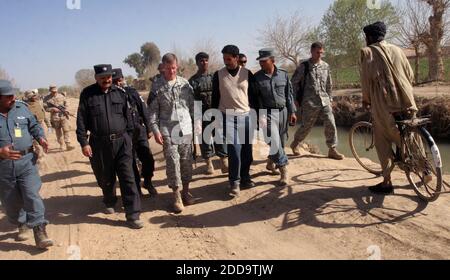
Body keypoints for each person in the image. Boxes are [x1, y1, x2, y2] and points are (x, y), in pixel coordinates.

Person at [360, 21, 424, 194]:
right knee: (411, 135)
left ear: (370, 37)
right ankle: (425, 171)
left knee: (382, 138)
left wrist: (366, 100)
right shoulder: (398, 50)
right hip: (407, 100)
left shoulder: (367, 52)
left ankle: (387, 182)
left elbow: (366, 82)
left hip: (384, 103)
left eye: (366, 37)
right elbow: (409, 74)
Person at [76, 64, 143, 229]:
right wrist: (84, 142)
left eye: (108, 77)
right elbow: (81, 121)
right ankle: (109, 199)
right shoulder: (87, 94)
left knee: (128, 177)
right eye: (102, 78)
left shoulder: (120, 93)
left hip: (122, 142)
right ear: (96, 78)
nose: (106, 80)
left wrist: (128, 139)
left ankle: (133, 215)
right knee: (105, 176)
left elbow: (129, 118)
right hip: (99, 144)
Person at [0, 80, 53, 249]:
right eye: (8, 96)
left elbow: (34, 125)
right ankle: (20, 223)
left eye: (13, 95)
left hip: (26, 161)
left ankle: (39, 230)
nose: (13, 98)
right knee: (11, 201)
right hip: (4, 167)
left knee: (32, 195)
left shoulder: (21, 108)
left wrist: (41, 137)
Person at [149, 53, 196, 213]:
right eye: (168, 69)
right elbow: (152, 112)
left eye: (174, 68)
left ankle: (186, 191)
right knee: (172, 162)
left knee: (186, 161)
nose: (171, 71)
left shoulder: (185, 84)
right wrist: (155, 130)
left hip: (185, 129)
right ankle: (176, 195)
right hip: (167, 130)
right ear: (163, 68)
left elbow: (192, 106)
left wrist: (197, 123)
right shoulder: (157, 87)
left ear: (177, 66)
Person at [212, 45, 259, 197]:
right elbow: (215, 98)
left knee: (247, 151)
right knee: (234, 150)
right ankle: (234, 182)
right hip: (227, 116)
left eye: (229, 58)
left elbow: (253, 97)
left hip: (246, 116)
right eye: (224, 59)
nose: (226, 61)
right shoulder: (218, 75)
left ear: (237, 58)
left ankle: (245, 177)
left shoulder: (247, 74)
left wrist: (257, 116)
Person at [290, 42, 344, 160]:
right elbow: (293, 83)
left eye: (321, 52)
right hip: (309, 102)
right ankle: (295, 143)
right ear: (312, 52)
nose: (320, 54)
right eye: (317, 52)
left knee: (330, 122)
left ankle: (332, 149)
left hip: (324, 100)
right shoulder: (304, 66)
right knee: (306, 126)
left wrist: (330, 98)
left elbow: (329, 84)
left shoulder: (325, 66)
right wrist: (294, 99)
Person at [254, 48, 297, 186]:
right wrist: (260, 115)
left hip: (283, 112)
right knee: (274, 140)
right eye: (260, 61)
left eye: (264, 61)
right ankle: (283, 168)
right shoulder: (257, 78)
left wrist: (292, 112)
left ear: (272, 60)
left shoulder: (283, 75)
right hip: (267, 113)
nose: (261, 63)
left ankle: (270, 162)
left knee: (281, 141)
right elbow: (256, 99)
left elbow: (289, 95)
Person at [112, 68, 157, 196]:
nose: (118, 83)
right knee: (130, 162)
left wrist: (149, 129)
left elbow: (143, 109)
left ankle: (148, 181)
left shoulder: (132, 92)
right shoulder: (111, 95)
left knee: (148, 159)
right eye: (115, 81)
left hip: (139, 129)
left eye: (119, 80)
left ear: (123, 79)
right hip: (124, 134)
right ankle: (136, 187)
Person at [189, 52, 228, 175]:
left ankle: (224, 162)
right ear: (197, 63)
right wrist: (196, 119)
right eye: (201, 61)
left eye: (206, 60)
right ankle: (209, 164)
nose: (204, 63)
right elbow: (192, 101)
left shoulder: (214, 77)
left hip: (216, 112)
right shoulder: (193, 81)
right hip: (201, 114)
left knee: (220, 137)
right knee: (204, 140)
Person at [43, 85, 75, 151]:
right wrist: (52, 109)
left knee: (66, 130)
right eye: (52, 91)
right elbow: (46, 108)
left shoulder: (61, 96)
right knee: (58, 132)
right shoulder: (46, 98)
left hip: (63, 116)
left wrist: (65, 109)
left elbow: (66, 104)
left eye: (55, 91)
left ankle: (68, 144)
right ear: (50, 90)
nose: (54, 92)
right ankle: (61, 145)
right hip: (55, 118)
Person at [25, 90, 51, 165]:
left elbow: (43, 114)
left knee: (44, 140)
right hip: (31, 127)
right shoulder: (25, 106)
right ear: (28, 97)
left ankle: (43, 155)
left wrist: (48, 125)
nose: (34, 97)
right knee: (36, 143)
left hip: (41, 124)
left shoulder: (39, 103)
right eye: (32, 96)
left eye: (34, 96)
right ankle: (40, 157)